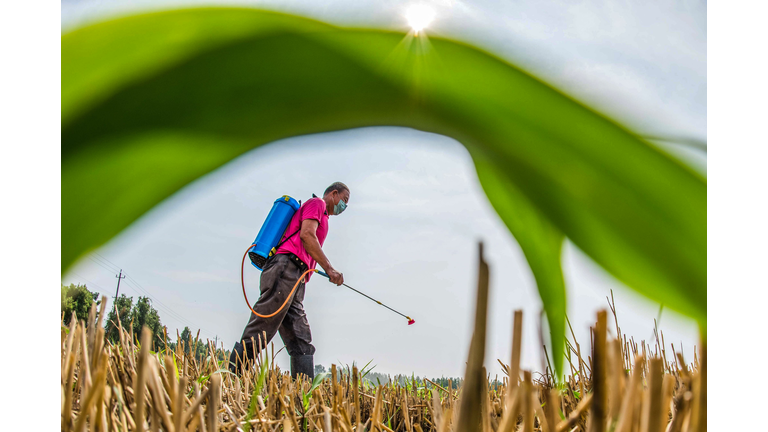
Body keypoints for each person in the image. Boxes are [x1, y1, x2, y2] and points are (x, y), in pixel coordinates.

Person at [229, 182, 350, 379]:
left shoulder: (324, 216)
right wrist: (329, 268)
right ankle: (231, 377)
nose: (344, 207)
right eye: (344, 200)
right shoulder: (317, 203)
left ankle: (304, 397)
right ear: (334, 194)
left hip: (296, 279)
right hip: (286, 269)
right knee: (263, 327)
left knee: (301, 340)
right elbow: (307, 234)